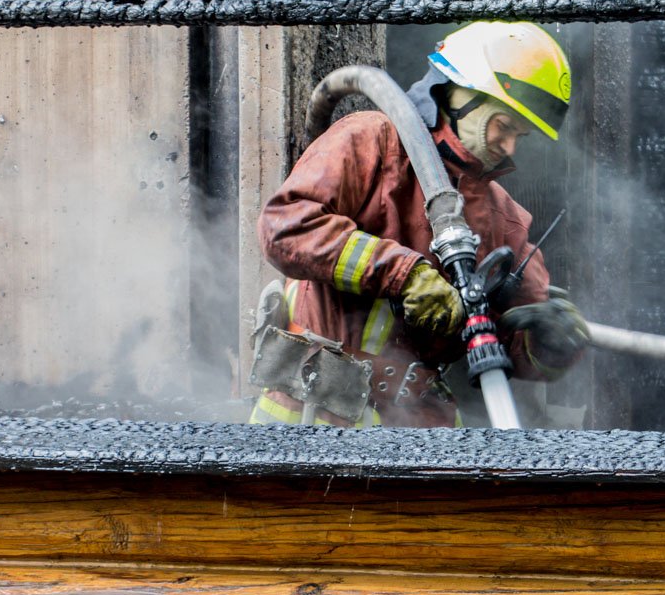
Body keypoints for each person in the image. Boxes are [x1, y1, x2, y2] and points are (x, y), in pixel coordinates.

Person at [250, 21, 591, 428]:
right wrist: (404, 275)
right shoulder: (372, 141)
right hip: (312, 418)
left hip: (419, 430)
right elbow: (284, 227)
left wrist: (553, 344)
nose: (511, 147)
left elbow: (515, 345)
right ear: (459, 95)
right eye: (503, 125)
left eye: (522, 135)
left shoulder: (506, 220)